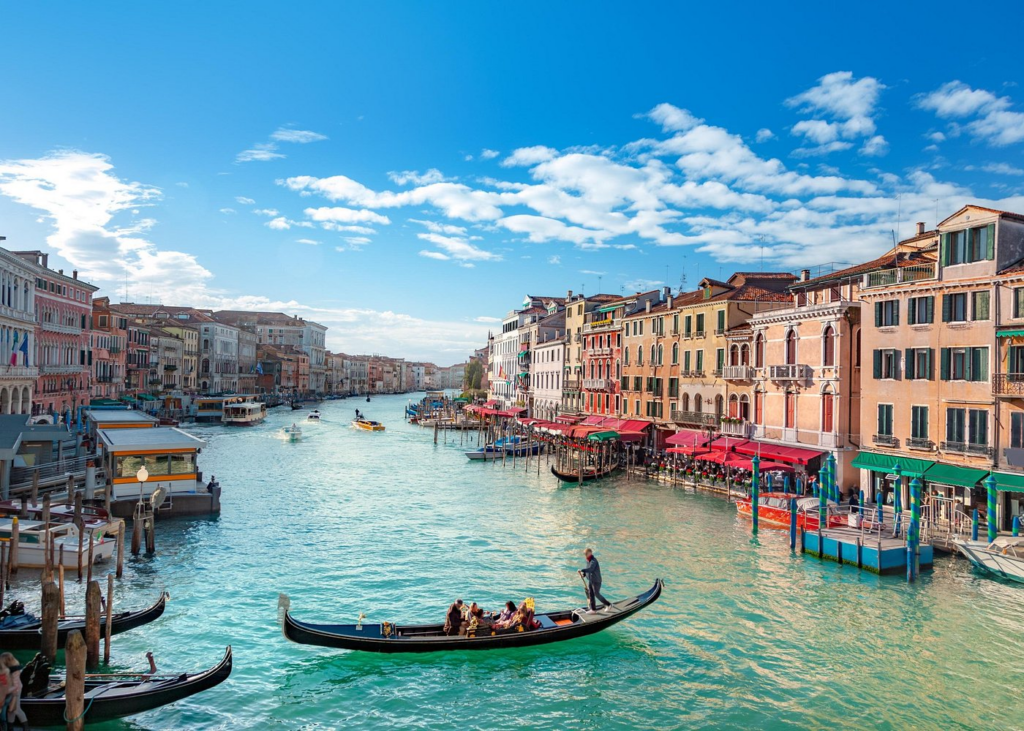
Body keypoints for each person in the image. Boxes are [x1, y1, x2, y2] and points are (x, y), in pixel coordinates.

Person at [579, 548, 611, 613]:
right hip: (591, 580)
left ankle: (609, 604)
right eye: (584, 554)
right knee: (591, 594)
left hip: (596, 581)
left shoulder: (594, 561)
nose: (585, 555)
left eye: (586, 554)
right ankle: (593, 609)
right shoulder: (587, 560)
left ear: (590, 553)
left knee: (596, 594)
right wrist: (584, 574)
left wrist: (582, 570)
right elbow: (588, 569)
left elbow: (590, 569)